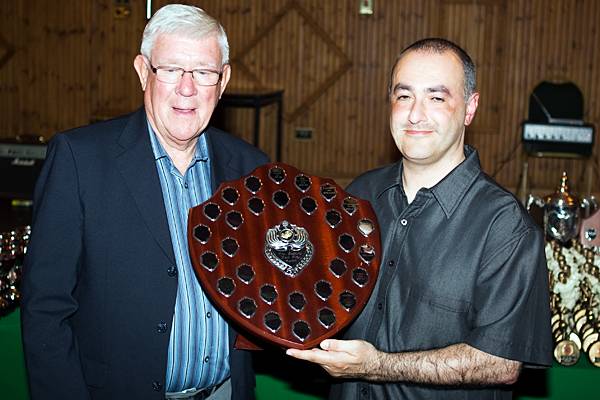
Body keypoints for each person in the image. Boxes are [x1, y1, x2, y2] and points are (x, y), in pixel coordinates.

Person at [21, 4, 268, 400]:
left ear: (223, 81)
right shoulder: (79, 159)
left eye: (203, 72)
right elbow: (45, 310)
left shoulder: (251, 167)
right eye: (170, 69)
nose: (186, 88)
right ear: (142, 71)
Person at [287, 38, 552, 399]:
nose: (415, 114)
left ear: (470, 108)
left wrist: (376, 365)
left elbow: (500, 363)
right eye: (404, 95)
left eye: (437, 98)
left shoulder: (505, 227)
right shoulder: (361, 193)